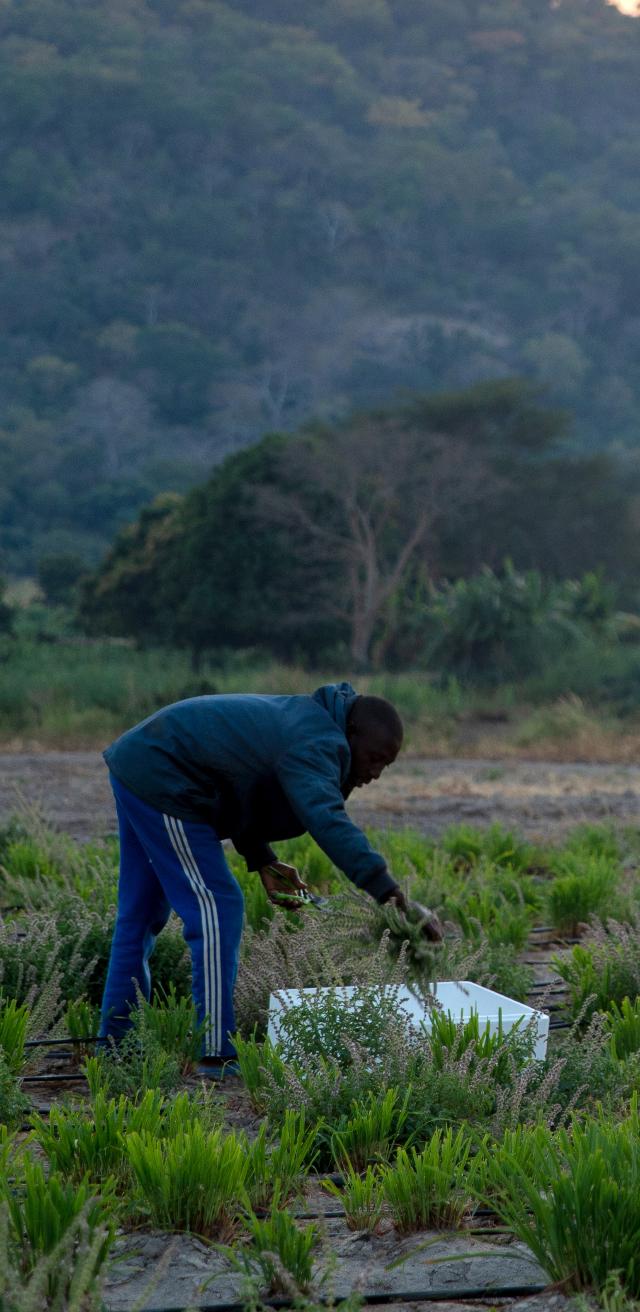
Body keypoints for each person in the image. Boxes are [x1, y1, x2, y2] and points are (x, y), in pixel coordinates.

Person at [99, 680, 441, 1076]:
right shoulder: (315, 742)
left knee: (139, 914)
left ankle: (114, 1045)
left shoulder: (307, 725)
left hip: (142, 763)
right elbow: (328, 822)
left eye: (387, 764)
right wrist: (393, 897)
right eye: (374, 758)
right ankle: (216, 1053)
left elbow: (240, 779)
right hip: (166, 776)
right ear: (351, 735)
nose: (376, 773)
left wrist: (262, 858)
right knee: (218, 909)